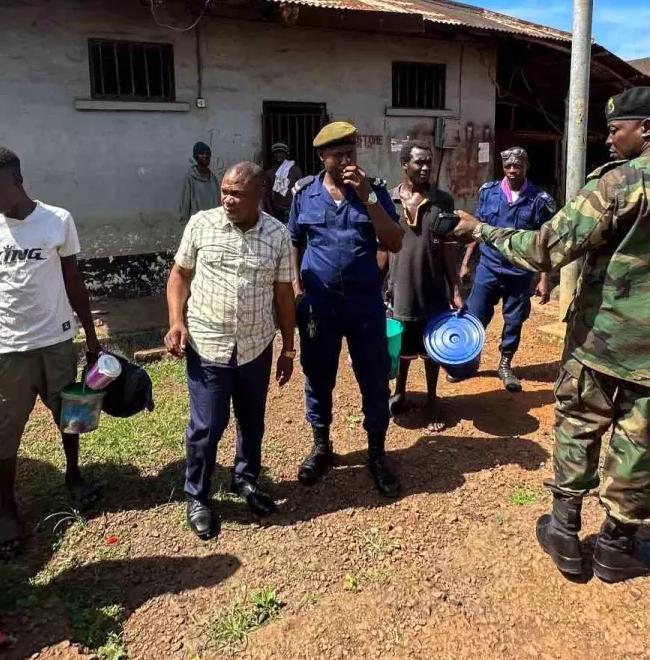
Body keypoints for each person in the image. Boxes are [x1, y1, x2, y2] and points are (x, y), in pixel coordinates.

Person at [452, 87, 650, 582]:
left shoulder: (620, 183)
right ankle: (617, 547)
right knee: (643, 441)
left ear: (648, 130)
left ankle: (565, 533)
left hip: (602, 341)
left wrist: (480, 230)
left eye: (617, 129)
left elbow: (543, 249)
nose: (609, 139)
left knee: (579, 425)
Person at [0, 146, 103, 557]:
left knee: (70, 414)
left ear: (17, 182)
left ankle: (74, 475)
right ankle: (7, 509)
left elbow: (73, 280)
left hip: (57, 340)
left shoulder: (57, 220)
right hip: (7, 348)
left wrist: (90, 335)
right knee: (3, 433)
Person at [165, 162, 296, 540]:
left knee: (252, 420)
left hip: (256, 346)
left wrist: (288, 348)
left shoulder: (277, 234)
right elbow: (180, 274)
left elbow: (283, 294)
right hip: (208, 344)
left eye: (237, 193)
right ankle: (198, 496)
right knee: (207, 426)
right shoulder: (201, 225)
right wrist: (176, 321)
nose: (227, 199)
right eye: (225, 190)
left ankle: (246, 479)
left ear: (259, 196)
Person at [289, 121, 405, 497]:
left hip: (364, 303)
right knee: (318, 374)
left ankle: (376, 453)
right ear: (322, 157)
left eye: (351, 154)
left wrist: (369, 197)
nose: (346, 162)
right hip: (319, 304)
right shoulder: (305, 194)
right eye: (338, 155)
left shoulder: (373, 192)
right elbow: (293, 240)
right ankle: (321, 446)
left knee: (373, 377)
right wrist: (295, 287)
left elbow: (394, 241)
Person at [458, 147, 554, 392]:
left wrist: (544, 279)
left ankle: (505, 364)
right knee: (475, 316)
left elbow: (545, 242)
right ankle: (470, 361)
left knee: (513, 321)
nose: (513, 170)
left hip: (520, 272)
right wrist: (466, 262)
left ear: (526, 167)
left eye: (518, 166)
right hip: (488, 267)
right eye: (508, 166)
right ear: (503, 167)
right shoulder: (489, 193)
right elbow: (476, 230)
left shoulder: (539, 200)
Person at [382, 140, 461, 430]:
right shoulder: (388, 200)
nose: (426, 167)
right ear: (405, 165)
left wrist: (454, 288)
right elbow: (381, 249)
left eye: (429, 162)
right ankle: (399, 392)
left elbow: (449, 248)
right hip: (399, 287)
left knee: (431, 347)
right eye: (419, 162)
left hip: (431, 287)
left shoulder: (443, 201)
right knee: (402, 345)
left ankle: (432, 400)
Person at [180, 141, 221, 223]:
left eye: (207, 153)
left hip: (213, 224)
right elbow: (185, 205)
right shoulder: (189, 179)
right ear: (195, 157)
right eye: (201, 153)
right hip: (196, 224)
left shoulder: (213, 179)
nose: (205, 156)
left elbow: (218, 204)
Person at [266, 142, 301, 223]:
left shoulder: (295, 170)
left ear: (286, 154)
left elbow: (300, 190)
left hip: (293, 208)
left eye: (281, 152)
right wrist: (271, 213)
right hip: (277, 210)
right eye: (276, 153)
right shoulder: (270, 173)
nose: (279, 155)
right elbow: (267, 195)